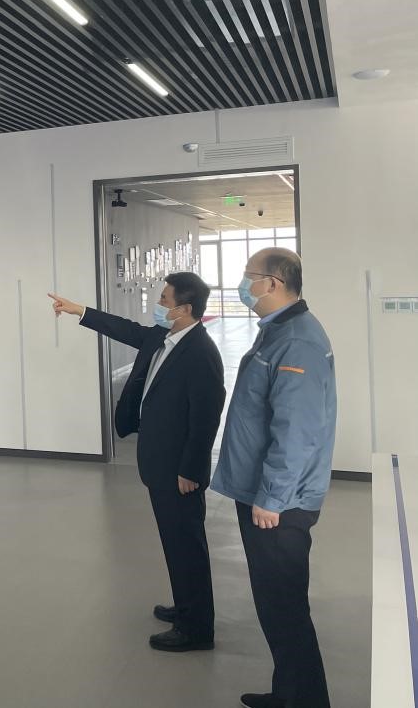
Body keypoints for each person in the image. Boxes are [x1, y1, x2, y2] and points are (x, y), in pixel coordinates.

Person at [50, 272, 225, 652]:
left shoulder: (200, 352)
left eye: (164, 300)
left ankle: (196, 628)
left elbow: (206, 418)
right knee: (174, 541)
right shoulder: (164, 337)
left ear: (184, 309)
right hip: (159, 460)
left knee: (186, 544)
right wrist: (79, 311)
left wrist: (191, 470)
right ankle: (185, 605)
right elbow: (124, 328)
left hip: (179, 469)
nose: (158, 305)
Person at [211, 249, 336, 708]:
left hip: (280, 503)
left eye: (249, 277)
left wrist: (273, 497)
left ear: (274, 283)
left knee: (284, 608)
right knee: (276, 605)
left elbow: (297, 429)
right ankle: (289, 694)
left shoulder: (297, 341)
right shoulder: (278, 330)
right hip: (266, 492)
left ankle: (305, 701)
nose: (244, 286)